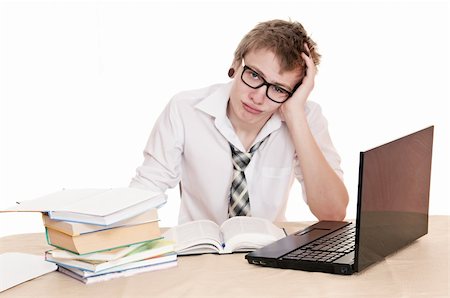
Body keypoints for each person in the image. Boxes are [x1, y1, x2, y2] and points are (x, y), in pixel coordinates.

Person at [130, 19, 349, 225]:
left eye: (279, 89)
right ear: (236, 63)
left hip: (269, 254)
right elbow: (147, 189)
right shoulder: (185, 109)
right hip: (199, 252)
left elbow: (333, 213)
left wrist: (295, 116)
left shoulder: (306, 117)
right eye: (254, 75)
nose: (258, 97)